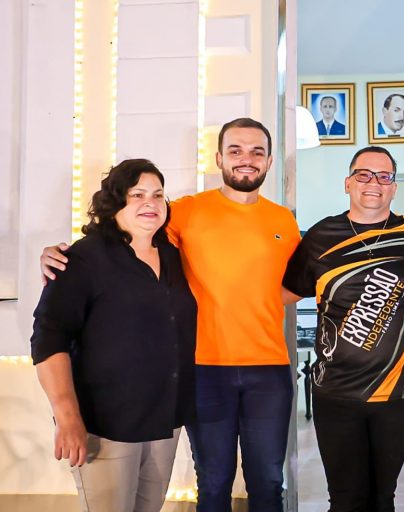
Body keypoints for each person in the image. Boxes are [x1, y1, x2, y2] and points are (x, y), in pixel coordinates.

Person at [40, 118, 301, 512]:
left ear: (268, 161)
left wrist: (252, 299)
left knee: (268, 480)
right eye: (235, 150)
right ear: (219, 158)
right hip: (203, 369)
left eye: (256, 151)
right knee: (213, 481)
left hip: (268, 368)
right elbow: (123, 237)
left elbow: (290, 285)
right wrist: (58, 256)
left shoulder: (283, 220)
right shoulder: (183, 212)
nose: (246, 159)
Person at [31, 159, 197, 512]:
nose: (150, 203)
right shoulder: (83, 259)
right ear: (114, 202)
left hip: (165, 419)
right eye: (137, 194)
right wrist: (67, 416)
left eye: (158, 195)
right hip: (107, 424)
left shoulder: (172, 255)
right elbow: (49, 338)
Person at [281, 146, 404, 511]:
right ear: (348, 183)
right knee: (345, 499)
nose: (374, 183)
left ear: (394, 187)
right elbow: (286, 292)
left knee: (383, 498)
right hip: (335, 393)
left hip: (396, 393)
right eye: (364, 174)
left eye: (384, 176)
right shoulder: (321, 236)